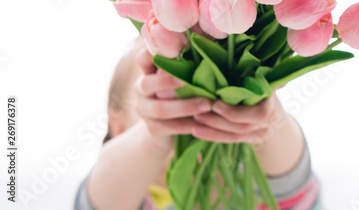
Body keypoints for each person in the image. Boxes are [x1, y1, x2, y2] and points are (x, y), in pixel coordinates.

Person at [74, 37, 321, 209]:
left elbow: (292, 182)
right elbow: (99, 203)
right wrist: (152, 136)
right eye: (163, 93)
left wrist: (265, 116)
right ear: (119, 129)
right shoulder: (133, 198)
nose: (195, 101)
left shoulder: (256, 190)